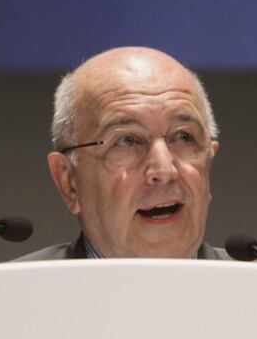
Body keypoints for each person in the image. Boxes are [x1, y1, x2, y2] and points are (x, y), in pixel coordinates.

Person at [19, 46, 230, 261]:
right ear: (69, 182)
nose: (164, 170)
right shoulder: (7, 293)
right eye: (127, 141)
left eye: (184, 137)